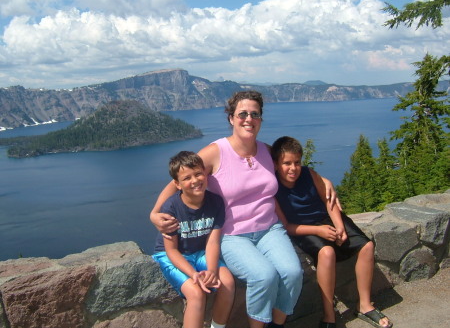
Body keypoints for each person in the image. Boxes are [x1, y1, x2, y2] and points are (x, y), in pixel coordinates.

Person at [151, 91, 337, 328]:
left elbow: (292, 166)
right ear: (231, 118)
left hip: (270, 229)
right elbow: (179, 179)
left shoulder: (267, 151)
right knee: (263, 276)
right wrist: (155, 213)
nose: (249, 119)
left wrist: (322, 181)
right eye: (242, 114)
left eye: (255, 114)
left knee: (292, 273)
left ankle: (277, 324)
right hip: (231, 235)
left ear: (260, 119)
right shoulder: (215, 152)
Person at [271, 136, 393, 328]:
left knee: (367, 246)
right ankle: (329, 316)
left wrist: (340, 226)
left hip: (327, 219)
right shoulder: (273, 188)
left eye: (296, 162)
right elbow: (287, 226)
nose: (293, 168)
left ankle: (365, 305)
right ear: (276, 164)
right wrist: (318, 231)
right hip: (304, 228)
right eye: (286, 163)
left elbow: (329, 200)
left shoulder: (308, 174)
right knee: (326, 253)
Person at [151, 151, 235, 328]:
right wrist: (193, 274)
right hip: (172, 256)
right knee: (196, 294)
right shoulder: (172, 207)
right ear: (177, 184)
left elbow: (212, 241)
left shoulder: (216, 202)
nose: (195, 181)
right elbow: (171, 250)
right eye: (187, 178)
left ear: (206, 173)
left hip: (200, 252)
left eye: (198, 174)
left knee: (227, 282)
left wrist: (211, 271)